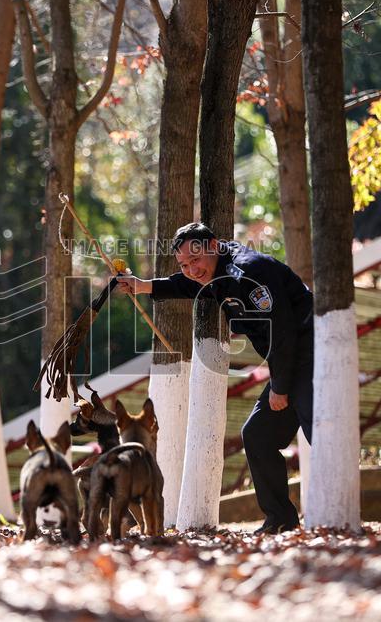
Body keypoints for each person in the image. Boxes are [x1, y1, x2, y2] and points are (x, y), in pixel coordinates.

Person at [117, 222, 314, 533]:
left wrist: (280, 387)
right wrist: (142, 286)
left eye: (196, 260)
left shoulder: (249, 271)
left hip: (311, 354)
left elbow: (285, 332)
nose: (192, 270)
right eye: (184, 264)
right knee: (258, 435)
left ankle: (341, 512)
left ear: (212, 246)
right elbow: (186, 285)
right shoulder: (217, 273)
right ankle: (280, 520)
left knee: (320, 429)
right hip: (286, 362)